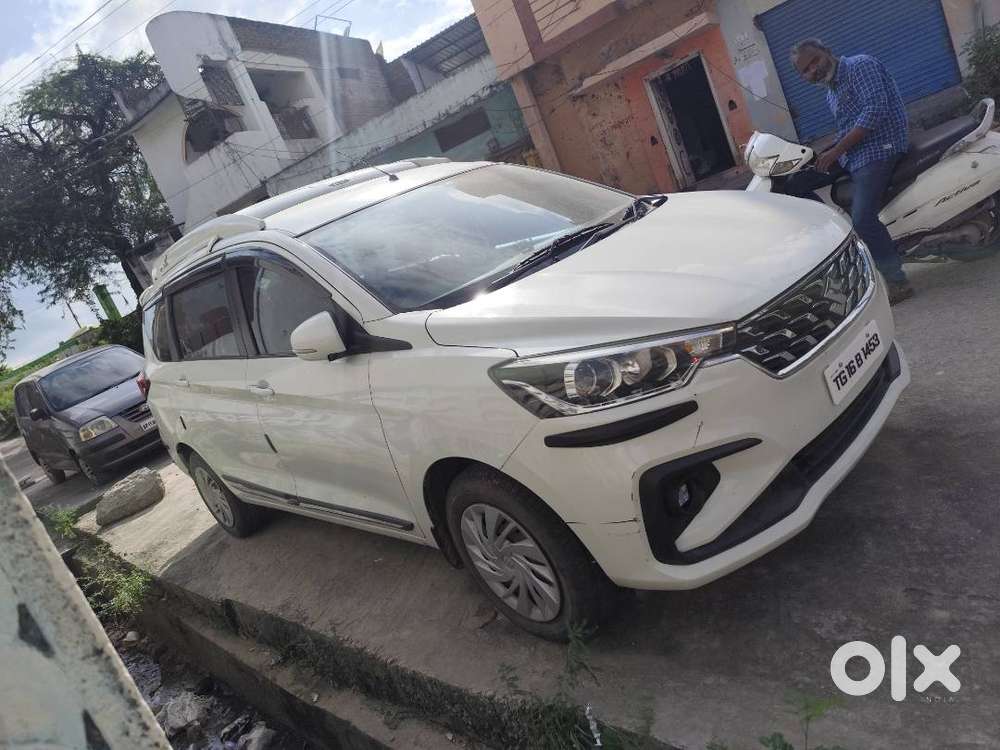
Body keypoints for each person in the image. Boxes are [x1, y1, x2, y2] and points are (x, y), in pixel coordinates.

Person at [785, 39, 914, 305]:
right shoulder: (831, 91)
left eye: (815, 61)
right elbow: (847, 129)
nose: (813, 71)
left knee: (863, 218)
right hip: (855, 153)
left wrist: (836, 150)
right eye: (806, 70)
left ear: (827, 52)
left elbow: (874, 112)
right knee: (794, 183)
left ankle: (897, 280)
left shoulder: (859, 66)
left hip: (882, 147)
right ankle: (830, 236)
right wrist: (820, 152)